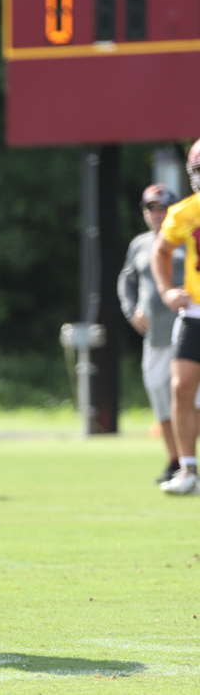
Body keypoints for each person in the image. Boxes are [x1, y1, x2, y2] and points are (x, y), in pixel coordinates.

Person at [118, 184, 194, 485]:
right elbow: (126, 281)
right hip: (156, 336)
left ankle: (190, 462)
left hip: (188, 327)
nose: (157, 214)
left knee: (189, 397)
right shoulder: (139, 244)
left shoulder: (188, 235)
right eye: (151, 208)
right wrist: (131, 309)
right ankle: (176, 462)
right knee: (163, 400)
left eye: (163, 207)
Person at [152, 139, 200, 495]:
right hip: (196, 311)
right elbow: (161, 252)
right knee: (181, 386)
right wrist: (168, 290)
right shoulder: (185, 211)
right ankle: (188, 469)